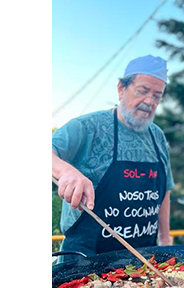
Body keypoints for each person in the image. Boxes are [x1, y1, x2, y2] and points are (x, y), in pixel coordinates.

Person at [53, 55, 175, 260]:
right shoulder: (88, 127)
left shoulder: (158, 136)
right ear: (121, 88)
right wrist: (66, 172)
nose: (149, 101)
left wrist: (165, 241)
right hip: (84, 262)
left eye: (157, 95)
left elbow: (164, 194)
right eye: (142, 91)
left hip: (145, 264)